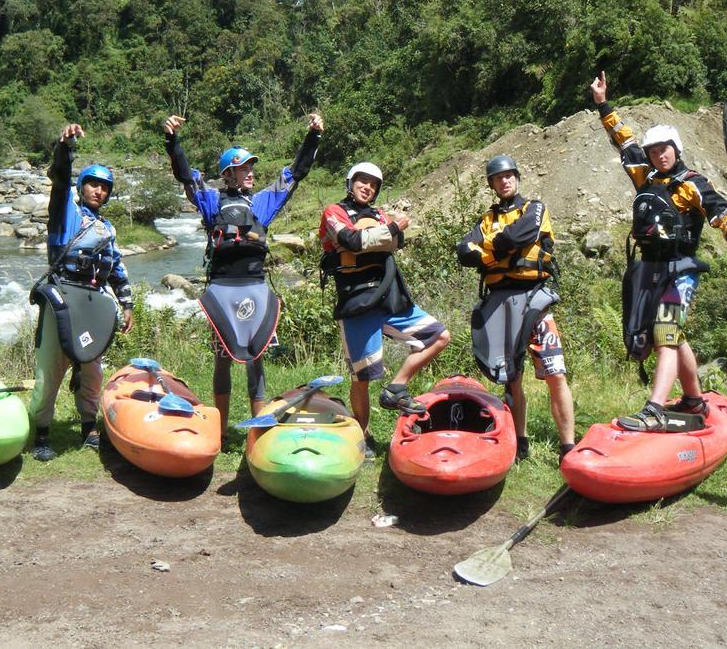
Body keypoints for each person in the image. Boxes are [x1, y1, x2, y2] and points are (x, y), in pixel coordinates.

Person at [590, 71, 727, 432]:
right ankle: (694, 400)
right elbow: (623, 139)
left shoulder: (693, 183)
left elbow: (720, 211)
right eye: (654, 150)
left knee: (665, 331)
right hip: (649, 268)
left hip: (681, 268)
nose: (659, 155)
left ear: (676, 150)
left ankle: (655, 408)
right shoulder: (644, 177)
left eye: (664, 149)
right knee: (665, 335)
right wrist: (603, 105)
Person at [164, 112, 323, 441]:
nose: (250, 172)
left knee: (256, 357)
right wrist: (173, 142)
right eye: (244, 167)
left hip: (254, 287)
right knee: (222, 360)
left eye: (251, 166)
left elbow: (296, 174)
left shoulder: (263, 201)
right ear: (228, 173)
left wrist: (313, 138)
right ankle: (219, 433)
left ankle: (259, 431)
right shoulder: (211, 200)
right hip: (222, 289)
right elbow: (185, 177)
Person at [319, 162, 450, 459]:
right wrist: (388, 229)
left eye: (373, 184)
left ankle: (396, 388)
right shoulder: (333, 212)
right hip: (356, 301)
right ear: (350, 183)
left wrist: (383, 233)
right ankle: (361, 437)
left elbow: (394, 243)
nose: (367, 187)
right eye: (362, 182)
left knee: (439, 336)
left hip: (389, 298)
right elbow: (350, 240)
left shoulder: (378, 214)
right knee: (362, 377)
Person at [456, 155, 576, 461]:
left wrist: (489, 248)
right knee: (511, 375)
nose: (505, 180)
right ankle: (518, 443)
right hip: (500, 301)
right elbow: (463, 251)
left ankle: (568, 447)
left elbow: (519, 235)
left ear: (517, 178)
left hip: (535, 299)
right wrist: (498, 248)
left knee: (555, 372)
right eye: (498, 177)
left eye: (509, 175)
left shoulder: (534, 208)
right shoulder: (485, 219)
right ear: (492, 184)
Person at [28, 123, 135, 462]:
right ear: (81, 186)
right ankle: (42, 433)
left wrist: (127, 302)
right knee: (50, 369)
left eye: (105, 187)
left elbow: (116, 266)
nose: (98, 191)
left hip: (93, 301)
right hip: (61, 298)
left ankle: (88, 427)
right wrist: (65, 148)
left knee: (92, 367)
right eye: (92, 184)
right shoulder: (65, 213)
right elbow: (58, 180)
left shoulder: (107, 228)